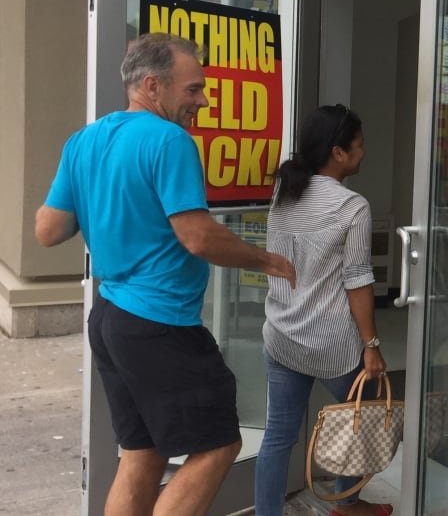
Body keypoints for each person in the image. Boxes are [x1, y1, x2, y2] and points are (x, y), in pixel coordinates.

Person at [34, 32, 297, 516]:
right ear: (152, 86)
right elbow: (197, 236)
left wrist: (103, 201)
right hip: (161, 324)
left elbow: (48, 230)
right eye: (192, 89)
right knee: (217, 446)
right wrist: (267, 261)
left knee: (142, 452)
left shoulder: (84, 140)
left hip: (110, 319)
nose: (202, 100)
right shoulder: (170, 140)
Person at [253, 104, 391, 516]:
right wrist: (371, 345)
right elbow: (358, 281)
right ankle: (346, 504)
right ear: (338, 153)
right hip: (333, 344)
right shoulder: (353, 206)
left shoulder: (285, 193)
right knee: (361, 413)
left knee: (278, 435)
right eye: (359, 145)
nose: (364, 152)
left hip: (281, 335)